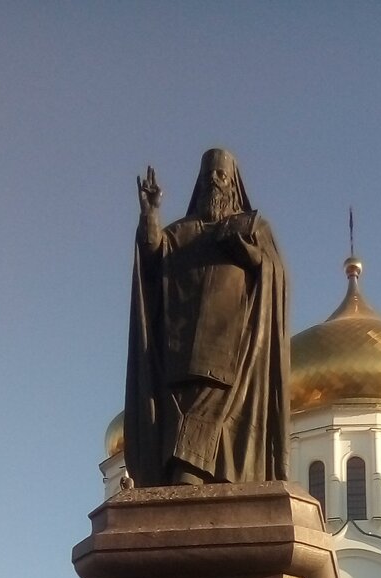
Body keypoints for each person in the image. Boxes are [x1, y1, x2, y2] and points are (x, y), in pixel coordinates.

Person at [123, 148, 289, 487]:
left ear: (232, 184)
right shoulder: (182, 232)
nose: (213, 181)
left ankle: (189, 482)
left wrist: (245, 250)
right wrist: (150, 216)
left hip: (231, 348)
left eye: (220, 175)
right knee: (179, 418)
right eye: (208, 175)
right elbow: (153, 257)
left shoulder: (251, 225)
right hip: (178, 349)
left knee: (214, 420)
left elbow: (273, 271)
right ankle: (189, 485)